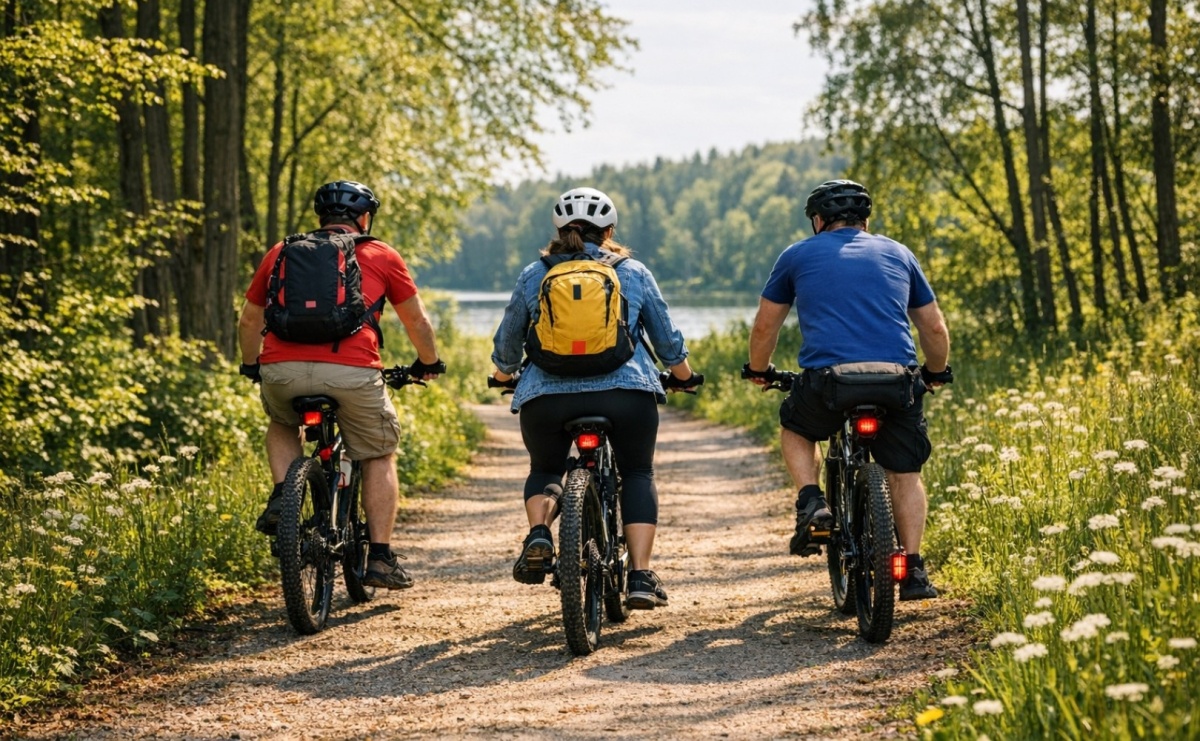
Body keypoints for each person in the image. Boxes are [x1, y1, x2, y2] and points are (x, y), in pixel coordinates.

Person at [491, 187, 701, 610]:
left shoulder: (535, 274)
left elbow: (508, 342)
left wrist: (502, 375)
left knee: (546, 467)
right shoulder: (633, 271)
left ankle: (538, 534)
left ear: (559, 230)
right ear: (609, 231)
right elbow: (667, 341)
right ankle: (640, 576)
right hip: (625, 396)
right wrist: (685, 376)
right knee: (638, 473)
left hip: (546, 399)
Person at [744, 179, 951, 601]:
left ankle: (812, 501)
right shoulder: (898, 253)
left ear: (818, 221)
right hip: (896, 380)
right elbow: (932, 326)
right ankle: (912, 570)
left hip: (830, 382)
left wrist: (759, 370)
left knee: (798, 429)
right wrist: (934, 372)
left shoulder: (797, 255)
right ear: (866, 220)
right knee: (905, 473)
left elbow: (767, 325)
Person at [237, 180, 445, 590]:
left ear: (321, 218)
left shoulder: (281, 252)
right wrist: (428, 363)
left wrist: (252, 366)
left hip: (282, 369)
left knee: (282, 423)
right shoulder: (381, 254)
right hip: (354, 371)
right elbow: (416, 321)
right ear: (364, 218)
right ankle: (382, 558)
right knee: (379, 453)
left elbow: (248, 320)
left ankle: (284, 495)